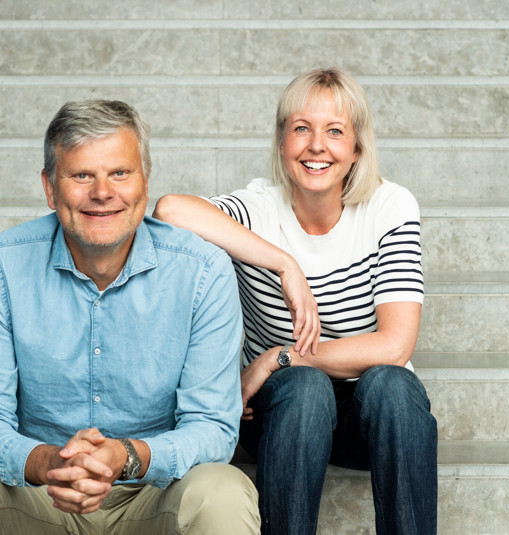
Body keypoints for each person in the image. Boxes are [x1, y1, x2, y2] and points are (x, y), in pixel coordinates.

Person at [0, 99, 261, 534]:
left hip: (156, 493)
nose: (102, 192)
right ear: (49, 186)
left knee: (224, 491)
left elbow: (212, 427)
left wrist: (128, 456)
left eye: (120, 173)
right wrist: (50, 462)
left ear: (144, 182)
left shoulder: (203, 270)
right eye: (81, 175)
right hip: (39, 495)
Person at [153, 68, 438, 534]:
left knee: (393, 386)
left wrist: (278, 357)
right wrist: (284, 264)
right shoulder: (260, 208)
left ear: (357, 149)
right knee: (305, 389)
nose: (316, 146)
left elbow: (394, 346)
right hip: (280, 414)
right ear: (283, 142)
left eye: (335, 132)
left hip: (370, 416)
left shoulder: (390, 206)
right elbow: (169, 211)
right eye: (301, 128)